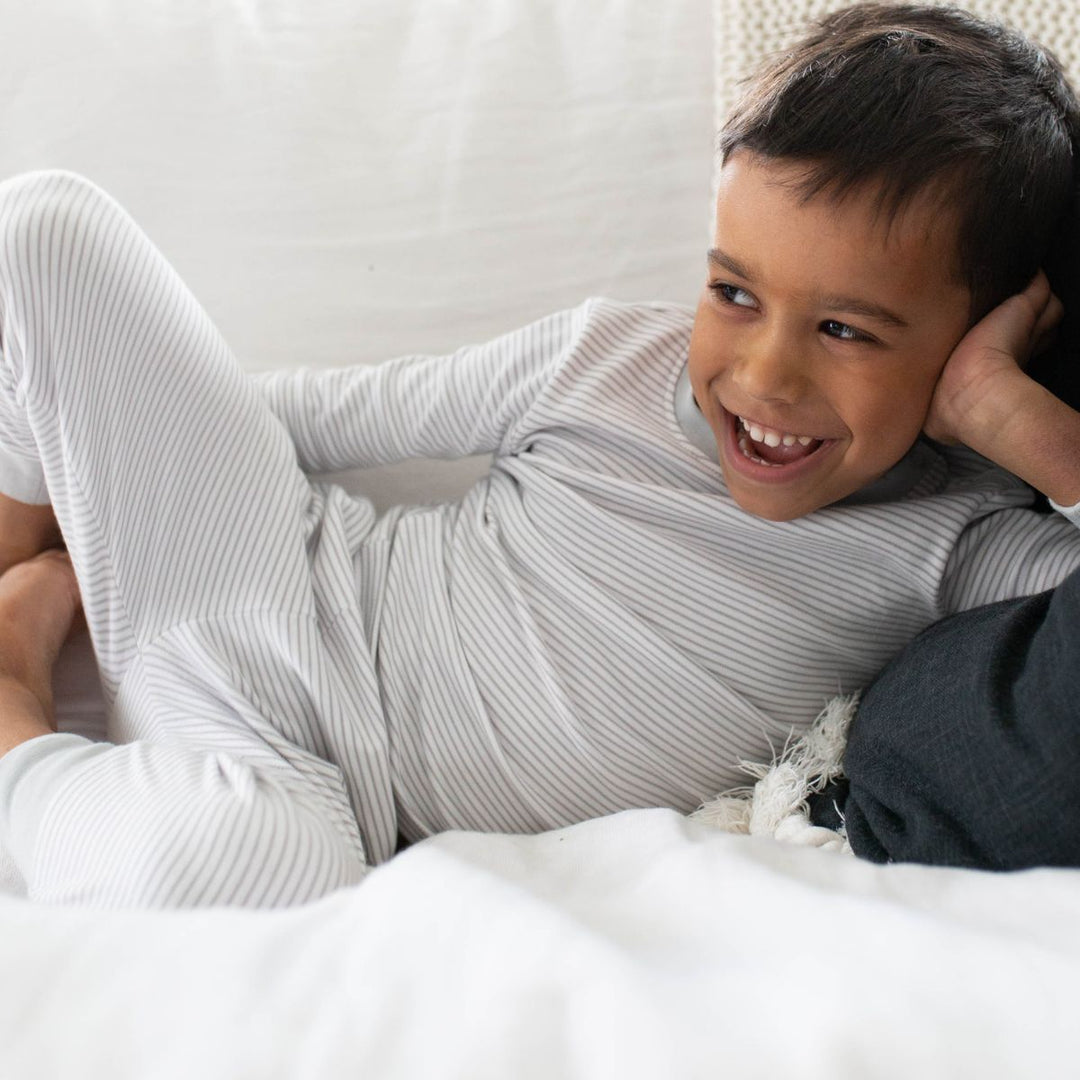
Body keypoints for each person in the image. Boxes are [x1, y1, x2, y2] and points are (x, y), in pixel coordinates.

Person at [0, 2, 1078, 907]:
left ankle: (15, 712)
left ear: (984, 341)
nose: (763, 377)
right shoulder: (609, 357)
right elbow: (297, 420)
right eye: (733, 293)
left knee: (261, 867)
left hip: (303, 781)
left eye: (846, 331)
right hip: (256, 567)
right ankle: (24, 561)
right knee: (46, 229)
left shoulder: (953, 541)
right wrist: (109, 476)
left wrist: (1014, 423)